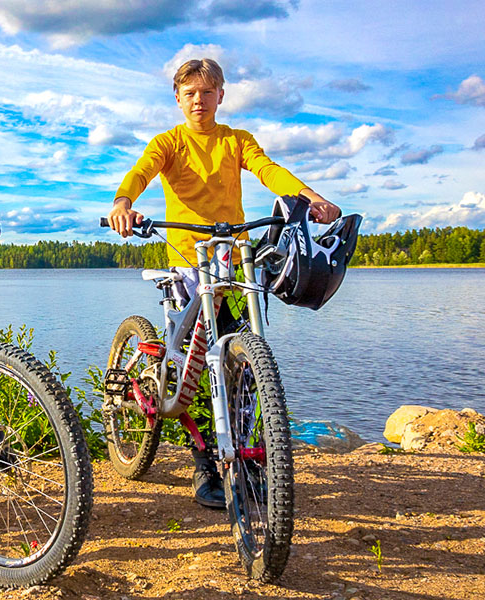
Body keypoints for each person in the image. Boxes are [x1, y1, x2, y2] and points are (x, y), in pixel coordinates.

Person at [106, 58, 341, 509]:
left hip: (232, 259)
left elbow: (268, 170)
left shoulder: (236, 141)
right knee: (191, 361)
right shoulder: (169, 142)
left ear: (221, 96)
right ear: (178, 99)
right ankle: (204, 464)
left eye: (207, 92)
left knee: (242, 358)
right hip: (187, 261)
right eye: (189, 93)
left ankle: (247, 456)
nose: (198, 100)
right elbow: (141, 171)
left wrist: (310, 198)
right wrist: (123, 202)